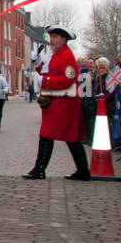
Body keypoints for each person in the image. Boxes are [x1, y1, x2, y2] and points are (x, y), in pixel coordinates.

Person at [23, 27, 90, 180]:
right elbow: (50, 72)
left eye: (55, 36)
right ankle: (83, 170)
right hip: (57, 100)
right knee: (70, 138)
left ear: (63, 39)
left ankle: (39, 169)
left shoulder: (67, 56)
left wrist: (44, 80)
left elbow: (68, 80)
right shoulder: (57, 55)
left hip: (64, 101)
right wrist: (38, 63)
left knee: (48, 133)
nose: (51, 39)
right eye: (51, 36)